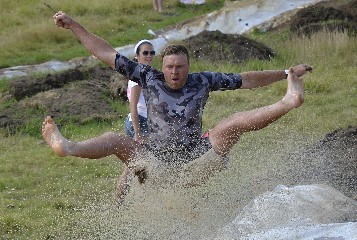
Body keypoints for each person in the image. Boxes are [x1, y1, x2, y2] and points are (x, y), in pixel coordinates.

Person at [43, 11, 313, 205]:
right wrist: (74, 26)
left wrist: (286, 72)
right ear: (162, 67)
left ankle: (289, 101)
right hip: (155, 164)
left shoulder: (203, 81)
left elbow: (247, 79)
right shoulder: (148, 77)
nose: (175, 72)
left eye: (180, 67)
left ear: (188, 67)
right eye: (170, 67)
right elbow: (105, 53)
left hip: (196, 161)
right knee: (115, 139)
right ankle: (68, 147)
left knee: (231, 123)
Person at [125, 39, 154, 142]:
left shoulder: (144, 73)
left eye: (152, 53)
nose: (149, 56)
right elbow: (133, 104)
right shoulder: (138, 76)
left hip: (144, 120)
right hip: (140, 121)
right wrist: (138, 133)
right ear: (137, 56)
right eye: (145, 53)